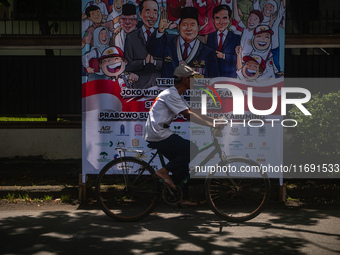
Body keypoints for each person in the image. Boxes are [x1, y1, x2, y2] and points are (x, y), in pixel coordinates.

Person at [143, 64, 220, 205]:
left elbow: (192, 112)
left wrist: (214, 121)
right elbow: (188, 115)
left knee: (181, 164)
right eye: (192, 78)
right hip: (158, 133)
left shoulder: (176, 95)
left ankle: (181, 198)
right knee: (191, 149)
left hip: (160, 132)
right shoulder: (170, 94)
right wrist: (213, 124)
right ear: (185, 80)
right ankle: (163, 172)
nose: (194, 81)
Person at [147, 7, 220, 78]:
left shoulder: (208, 52)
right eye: (184, 25)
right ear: (178, 27)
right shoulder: (167, 42)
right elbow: (152, 50)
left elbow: (214, 80)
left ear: (198, 28)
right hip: (170, 89)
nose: (188, 29)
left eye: (192, 25)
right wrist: (160, 31)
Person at [124, 0, 163, 89]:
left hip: (161, 87)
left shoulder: (164, 37)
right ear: (140, 15)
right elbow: (128, 65)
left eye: (155, 12)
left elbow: (170, 64)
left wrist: (155, 62)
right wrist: (144, 62)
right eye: (148, 12)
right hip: (140, 86)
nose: (152, 16)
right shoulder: (131, 38)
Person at [206, 5, 240, 78]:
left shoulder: (236, 37)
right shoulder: (210, 36)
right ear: (213, 20)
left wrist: (223, 56)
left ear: (229, 20)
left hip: (229, 77)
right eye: (217, 18)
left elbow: (238, 58)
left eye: (224, 18)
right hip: (212, 76)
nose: (221, 22)